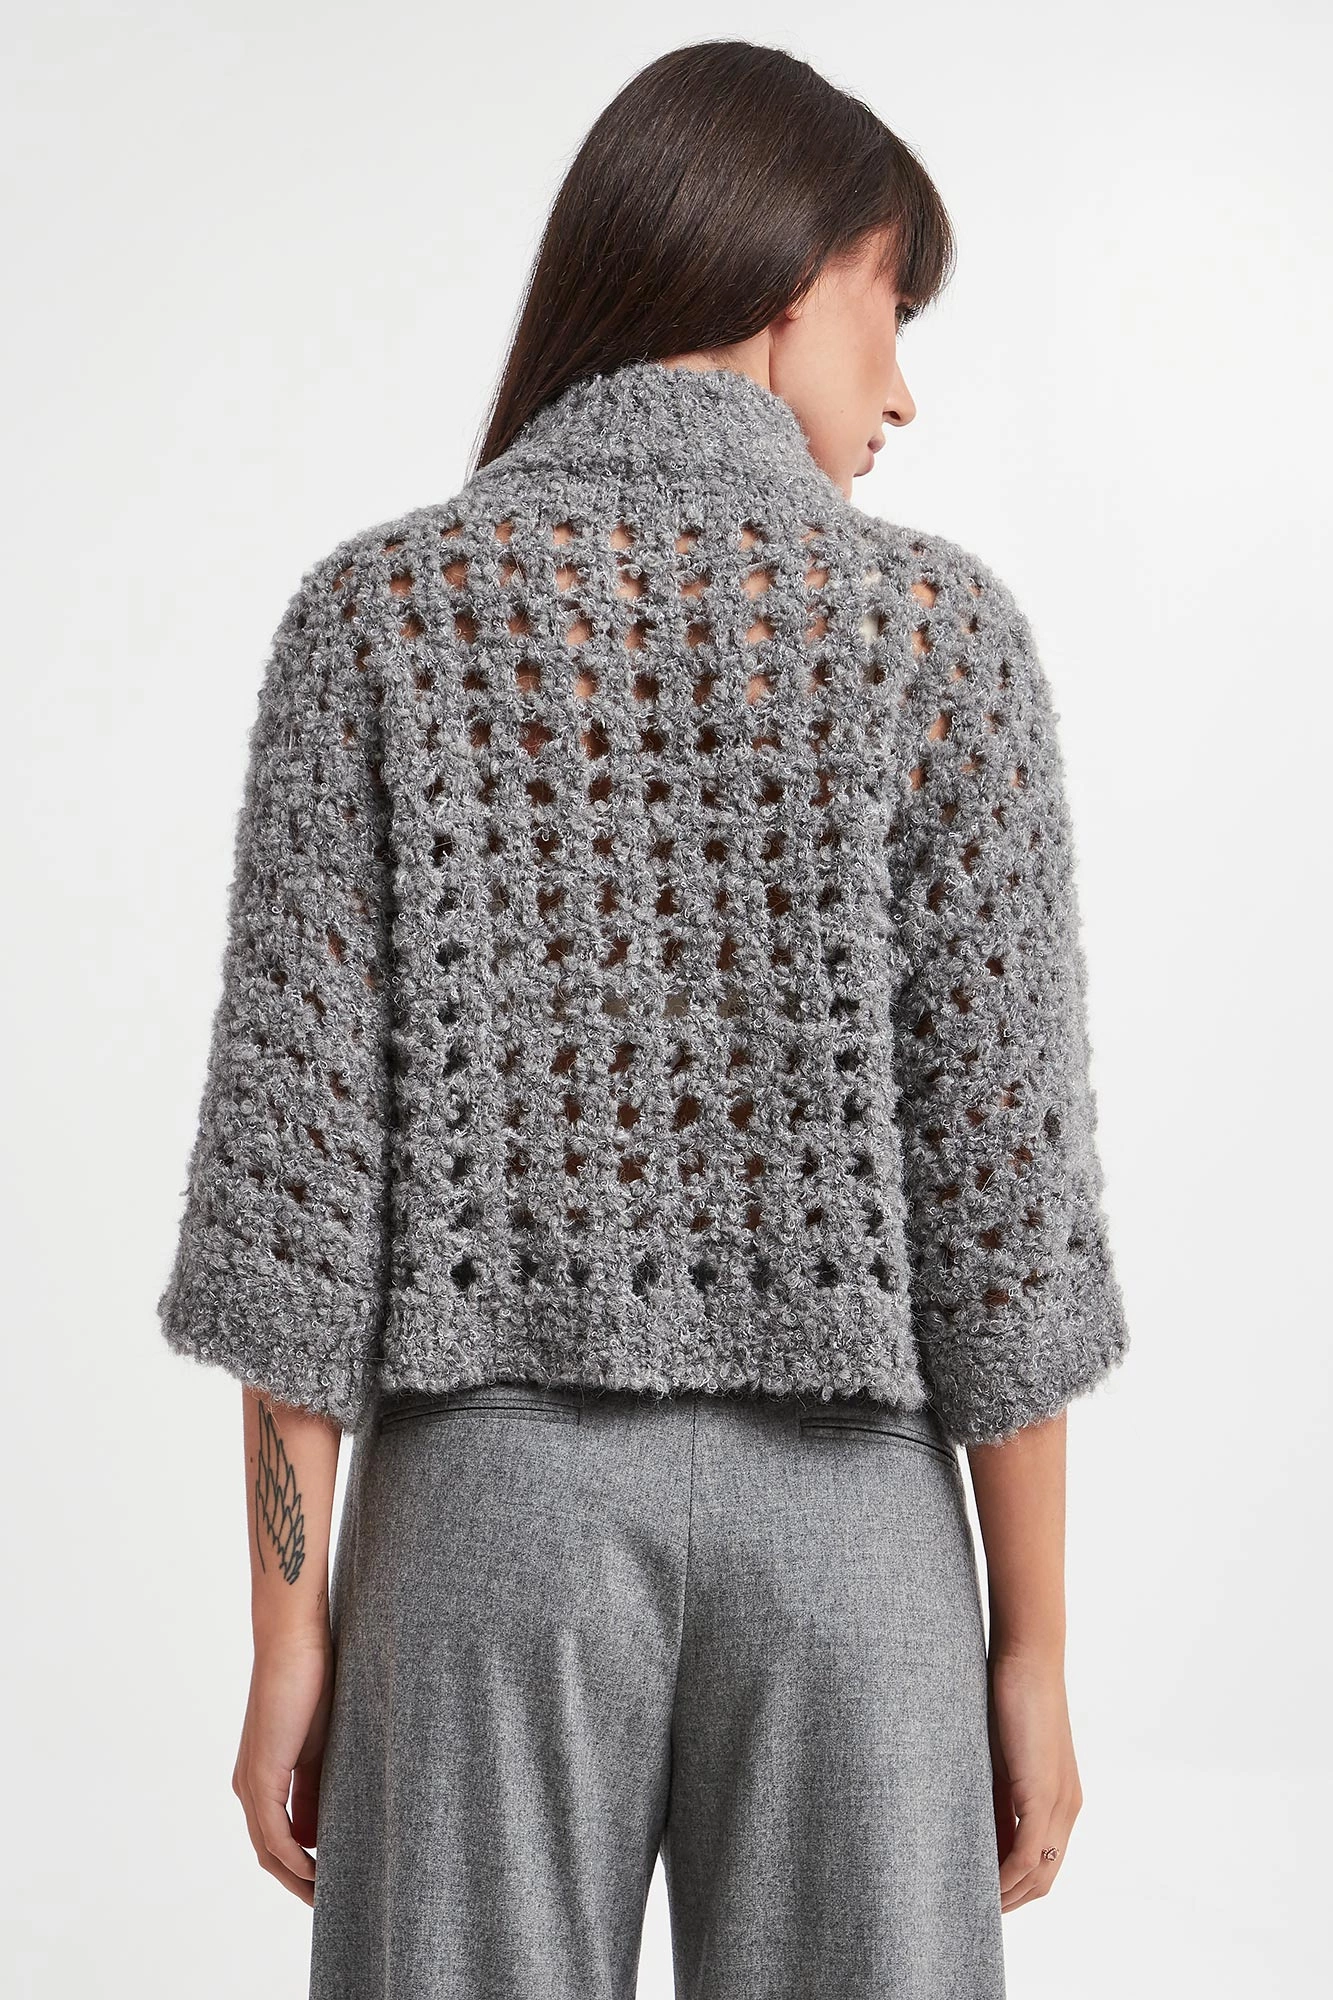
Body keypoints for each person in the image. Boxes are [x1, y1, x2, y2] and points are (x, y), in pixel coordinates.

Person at [158, 37, 1130, 2000]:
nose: (904, 387)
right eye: (895, 306)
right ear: (795, 277)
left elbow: (296, 1211)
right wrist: (1033, 1649)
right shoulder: (941, 644)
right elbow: (1004, 1219)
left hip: (484, 1531)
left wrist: (287, 1638)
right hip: (854, 1540)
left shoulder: (378, 621)